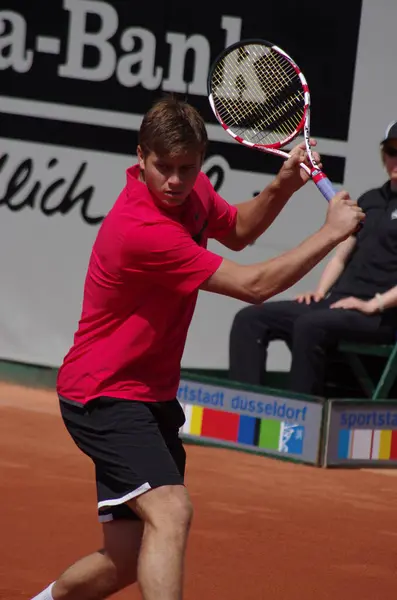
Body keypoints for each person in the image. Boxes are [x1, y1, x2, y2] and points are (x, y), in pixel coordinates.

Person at [31, 95, 363, 600]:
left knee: (123, 561)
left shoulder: (191, 193)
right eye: (163, 167)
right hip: (104, 395)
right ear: (140, 156)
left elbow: (240, 231)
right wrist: (330, 235)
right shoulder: (141, 230)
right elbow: (253, 286)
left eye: (187, 169)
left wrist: (282, 186)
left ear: (200, 162)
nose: (174, 181)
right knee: (172, 511)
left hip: (150, 396)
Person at [229, 120, 397, 398]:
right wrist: (319, 293)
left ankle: (297, 425)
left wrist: (372, 305)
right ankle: (244, 416)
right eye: (391, 151)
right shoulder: (370, 199)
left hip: (380, 316)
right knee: (250, 319)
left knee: (310, 326)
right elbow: (341, 256)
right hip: (337, 304)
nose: (395, 159)